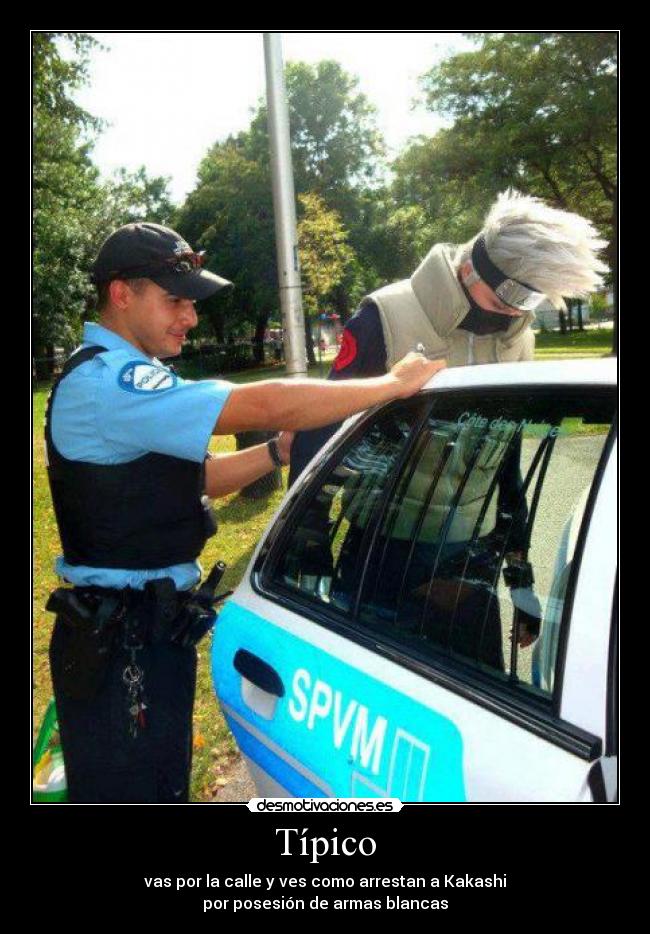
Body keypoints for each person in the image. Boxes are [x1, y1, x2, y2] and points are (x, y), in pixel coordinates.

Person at [43, 221, 445, 803]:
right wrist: (389, 384)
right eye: (175, 300)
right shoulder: (112, 382)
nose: (191, 316)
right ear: (121, 293)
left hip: (142, 630)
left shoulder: (126, 381)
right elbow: (259, 401)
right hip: (122, 641)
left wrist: (279, 451)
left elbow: (195, 477)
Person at [288, 190, 608, 661]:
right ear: (471, 268)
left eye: (533, 299)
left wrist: (520, 579)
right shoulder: (386, 315)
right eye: (515, 295)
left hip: (471, 554)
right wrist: (307, 537)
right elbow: (322, 425)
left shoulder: (519, 338)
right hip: (383, 550)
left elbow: (507, 459)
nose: (520, 312)